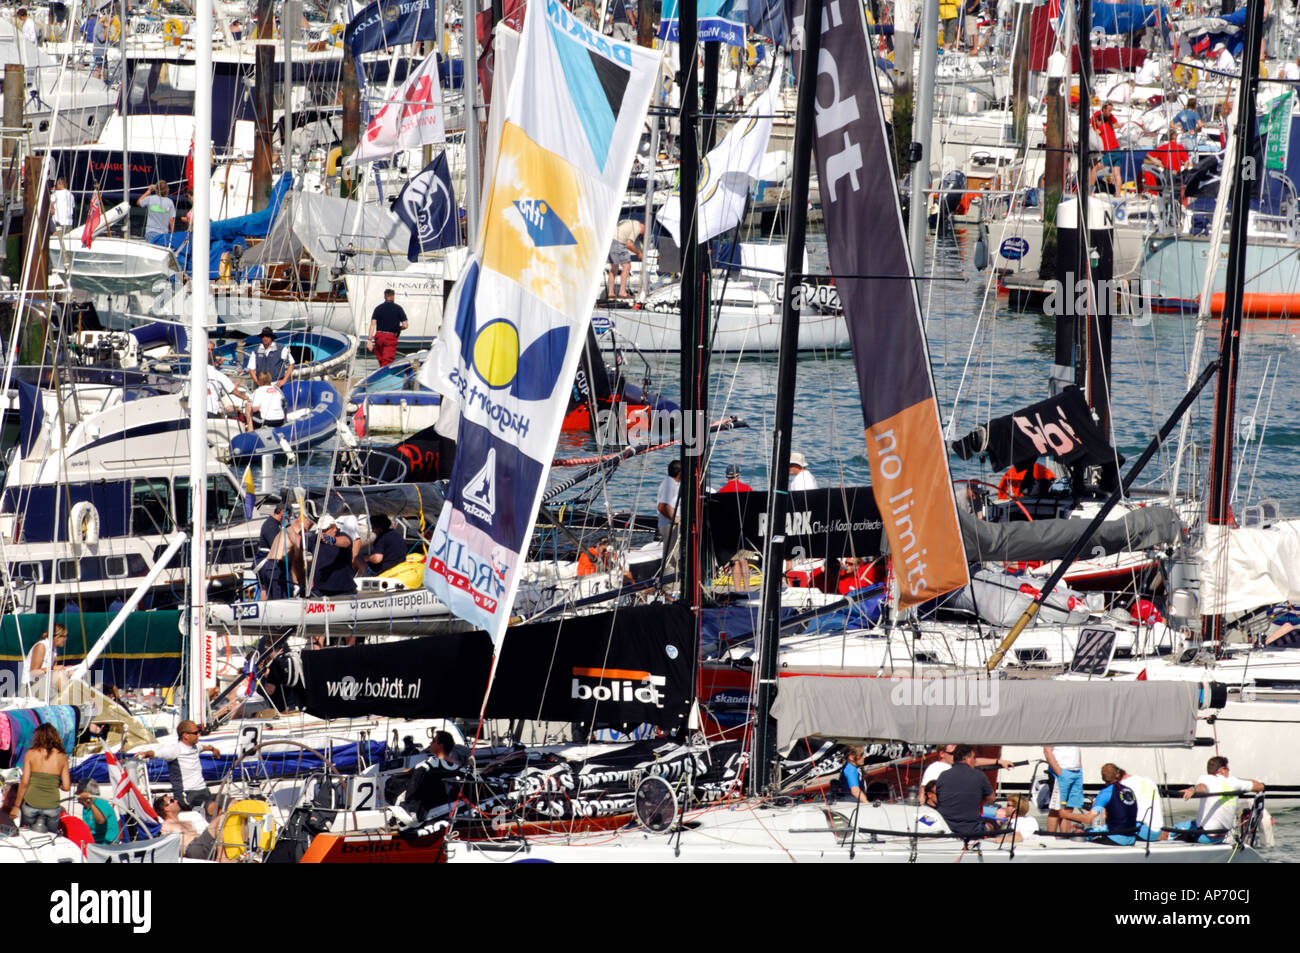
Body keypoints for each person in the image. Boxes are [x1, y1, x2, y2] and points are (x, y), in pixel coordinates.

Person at [134, 720, 220, 813]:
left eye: (199, 732)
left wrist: (212, 749)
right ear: (185, 735)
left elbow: (202, 747)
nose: (199, 735)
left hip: (203, 790)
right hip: (188, 794)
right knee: (214, 808)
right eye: (196, 733)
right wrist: (145, 753)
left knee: (231, 802)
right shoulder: (175, 750)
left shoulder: (195, 747)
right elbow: (157, 753)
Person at [1174, 755, 1264, 843]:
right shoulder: (1234, 782)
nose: (1229, 772)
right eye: (1228, 769)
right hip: (1220, 836)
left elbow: (1202, 787)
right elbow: (1260, 786)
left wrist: (1193, 790)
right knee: (1191, 823)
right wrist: (1240, 781)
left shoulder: (1206, 778)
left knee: (1165, 832)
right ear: (1222, 770)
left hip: (1203, 836)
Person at [10, 724, 70, 832]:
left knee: (27, 838)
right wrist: (58, 785)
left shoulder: (31, 754)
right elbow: (67, 787)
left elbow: (25, 782)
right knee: (50, 837)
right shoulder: (62, 757)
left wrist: (16, 806)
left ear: (37, 737)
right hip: (52, 805)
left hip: (31, 803)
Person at [1062, 762, 1139, 845]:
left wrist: (1065, 814)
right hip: (1132, 839)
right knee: (1092, 830)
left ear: (1102, 777)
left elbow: (1088, 819)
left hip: (1116, 839)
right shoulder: (1129, 790)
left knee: (1080, 835)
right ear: (1118, 774)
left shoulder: (1105, 792)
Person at [935, 744, 995, 838]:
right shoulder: (979, 775)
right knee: (992, 825)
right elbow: (991, 798)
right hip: (971, 829)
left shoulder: (943, 775)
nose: (975, 761)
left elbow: (938, 798)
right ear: (967, 758)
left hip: (946, 827)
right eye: (974, 758)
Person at [920, 743, 1013, 788]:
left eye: (958, 753)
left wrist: (998, 761)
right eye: (953, 753)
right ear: (942, 754)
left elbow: (975, 761)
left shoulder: (959, 764)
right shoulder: (934, 768)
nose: (957, 756)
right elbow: (923, 790)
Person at [309, 515, 358, 598]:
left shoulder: (343, 536)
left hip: (343, 590)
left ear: (334, 528)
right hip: (320, 590)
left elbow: (345, 542)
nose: (322, 534)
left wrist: (332, 540)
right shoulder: (315, 539)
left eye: (324, 530)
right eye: (320, 531)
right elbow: (298, 541)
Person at [1044, 744, 1084, 833]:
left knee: (1069, 808)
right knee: (1056, 808)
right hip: (1061, 771)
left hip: (1076, 771)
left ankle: (1065, 838)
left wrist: (1080, 767)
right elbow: (1047, 750)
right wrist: (1059, 771)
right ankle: (1050, 838)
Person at [22, 623, 68, 693]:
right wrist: (53, 668)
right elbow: (33, 672)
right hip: (30, 686)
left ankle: (85, 697)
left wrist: (65, 669)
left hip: (43, 683)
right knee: (59, 675)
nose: (66, 639)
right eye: (65, 636)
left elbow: (55, 669)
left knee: (71, 672)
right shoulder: (41, 646)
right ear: (57, 637)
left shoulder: (54, 649)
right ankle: (70, 698)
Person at [367, 288, 408, 366]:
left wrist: (369, 340)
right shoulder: (398, 308)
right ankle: (384, 376)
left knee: (381, 359)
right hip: (390, 337)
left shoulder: (378, 308)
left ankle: (380, 374)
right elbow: (405, 325)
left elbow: (372, 325)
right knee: (387, 361)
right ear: (393, 297)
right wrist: (398, 328)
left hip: (379, 336)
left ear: (384, 297)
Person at [207, 342, 248, 417]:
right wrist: (244, 397)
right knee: (231, 409)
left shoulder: (193, 372)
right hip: (211, 411)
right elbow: (233, 390)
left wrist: (218, 365)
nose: (210, 352)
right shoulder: (218, 375)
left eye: (212, 350)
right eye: (208, 349)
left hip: (194, 410)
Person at [606, 220, 643, 299]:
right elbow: (629, 244)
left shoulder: (629, 221)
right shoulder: (638, 226)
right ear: (644, 227)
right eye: (643, 234)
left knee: (614, 267)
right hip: (618, 242)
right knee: (627, 266)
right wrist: (638, 253)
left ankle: (611, 293)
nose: (641, 235)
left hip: (609, 240)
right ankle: (622, 292)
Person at [76, 779, 119, 845]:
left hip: (107, 843)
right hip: (93, 843)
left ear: (86, 792)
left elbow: (101, 820)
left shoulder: (100, 802)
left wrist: (90, 802)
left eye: (78, 792)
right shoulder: (86, 807)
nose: (76, 794)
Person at [656, 459, 681, 539]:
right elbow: (662, 506)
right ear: (680, 473)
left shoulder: (672, 483)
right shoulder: (669, 484)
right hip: (669, 526)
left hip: (671, 525)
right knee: (671, 550)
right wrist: (675, 519)